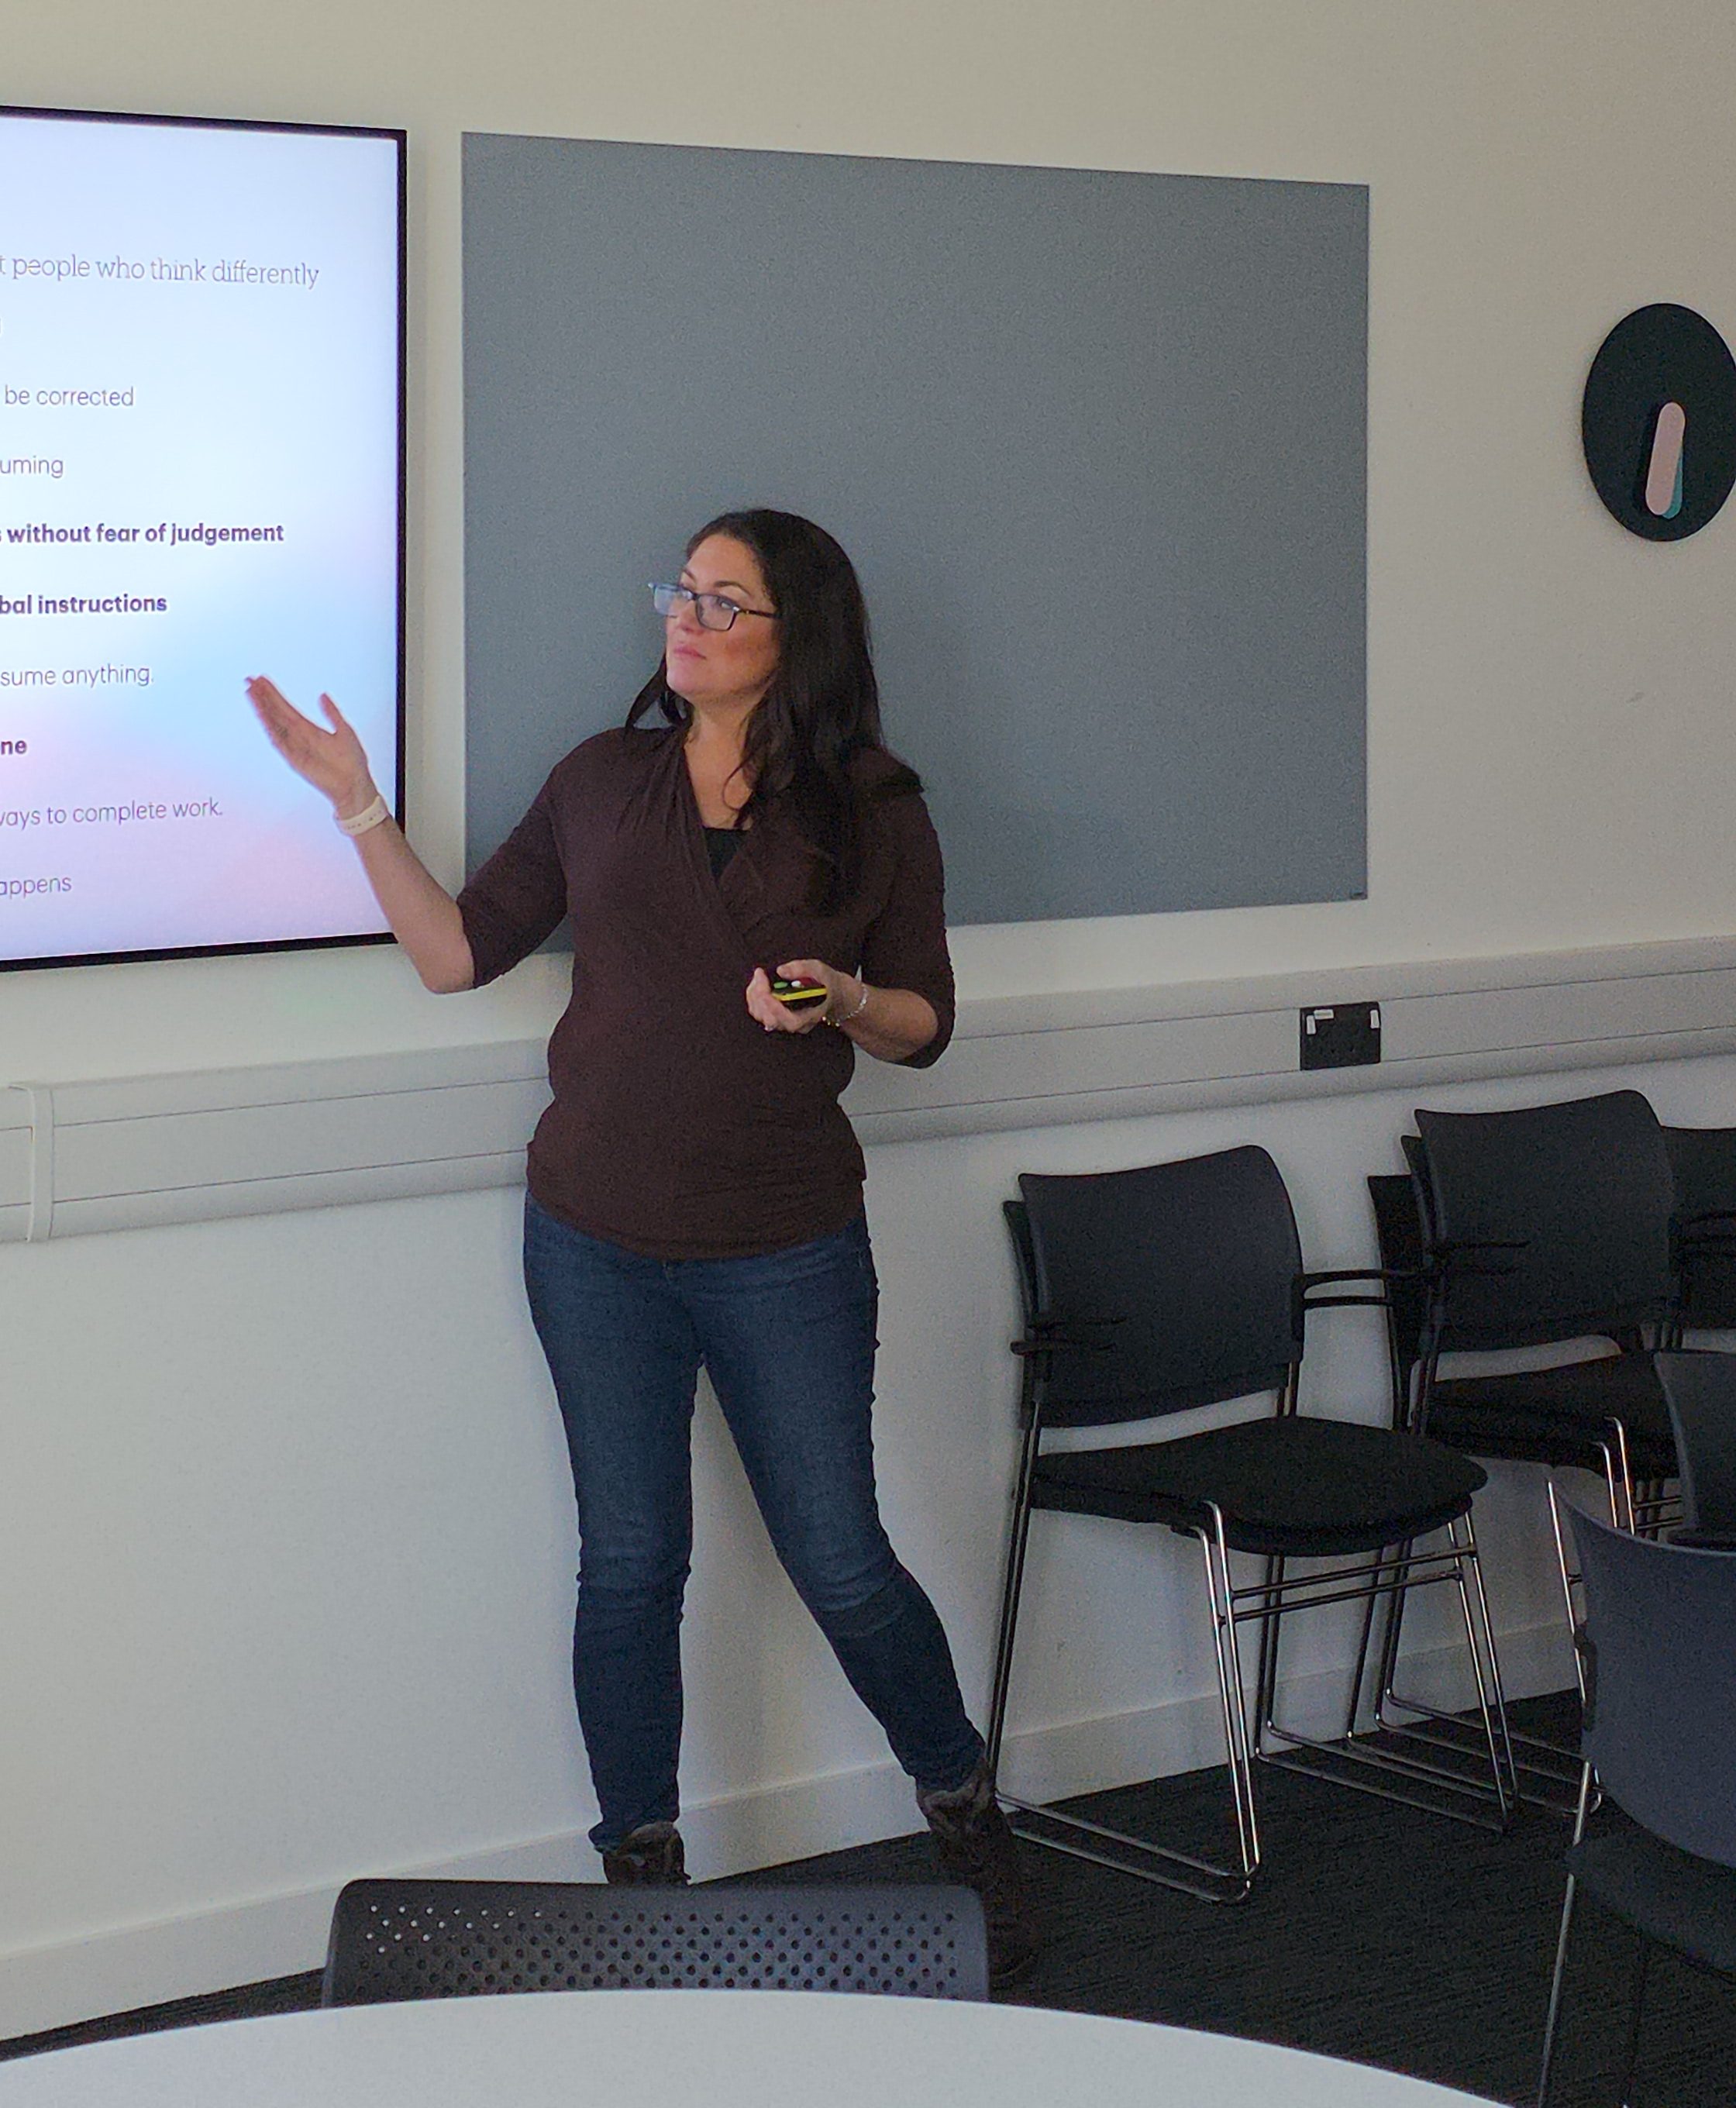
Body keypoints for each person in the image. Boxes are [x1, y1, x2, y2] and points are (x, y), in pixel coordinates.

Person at [246, 508, 1038, 1983]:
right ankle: (641, 1880)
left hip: (785, 1244)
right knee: (630, 1564)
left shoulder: (873, 806)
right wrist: (358, 806)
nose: (687, 617)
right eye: (682, 589)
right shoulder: (601, 781)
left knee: (842, 1559)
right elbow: (453, 954)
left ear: (798, 639)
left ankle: (965, 1803)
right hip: (595, 1240)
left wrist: (840, 1001)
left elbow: (925, 1024)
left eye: (726, 602)